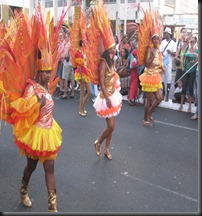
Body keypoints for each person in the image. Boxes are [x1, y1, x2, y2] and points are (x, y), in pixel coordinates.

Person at [0, 6, 66, 212]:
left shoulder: (45, 86)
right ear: (39, 71)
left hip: (49, 132)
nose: (47, 75)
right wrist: (36, 103)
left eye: (49, 71)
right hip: (35, 133)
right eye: (44, 72)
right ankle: (23, 189)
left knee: (50, 167)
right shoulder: (31, 87)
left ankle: (52, 206)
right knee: (31, 166)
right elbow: (22, 109)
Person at [92, 0, 122, 160]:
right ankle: (98, 142)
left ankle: (106, 149)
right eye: (112, 47)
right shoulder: (103, 62)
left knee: (112, 128)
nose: (114, 48)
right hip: (106, 97)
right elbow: (101, 83)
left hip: (113, 94)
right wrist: (108, 99)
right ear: (107, 48)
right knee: (110, 126)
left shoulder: (112, 60)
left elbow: (116, 75)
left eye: (114, 47)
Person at [178, 36, 198, 112]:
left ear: (195, 42)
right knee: (184, 87)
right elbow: (182, 58)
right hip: (186, 70)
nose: (192, 43)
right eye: (191, 42)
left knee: (190, 88)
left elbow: (198, 60)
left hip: (192, 70)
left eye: (193, 42)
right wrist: (182, 67)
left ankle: (189, 106)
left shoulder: (197, 50)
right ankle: (181, 105)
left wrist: (195, 62)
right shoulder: (187, 49)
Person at [74, 39, 92, 116]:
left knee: (89, 92)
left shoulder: (84, 51)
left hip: (86, 72)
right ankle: (81, 110)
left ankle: (82, 107)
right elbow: (79, 65)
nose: (85, 43)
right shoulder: (78, 53)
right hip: (82, 73)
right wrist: (81, 76)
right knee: (82, 93)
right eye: (84, 42)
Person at [160, 27, 176, 102]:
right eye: (165, 33)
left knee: (169, 80)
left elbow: (175, 54)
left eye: (167, 33)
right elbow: (160, 52)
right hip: (163, 63)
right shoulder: (162, 42)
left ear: (169, 34)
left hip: (169, 64)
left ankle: (167, 95)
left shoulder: (173, 43)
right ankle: (163, 94)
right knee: (162, 80)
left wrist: (170, 53)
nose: (165, 35)